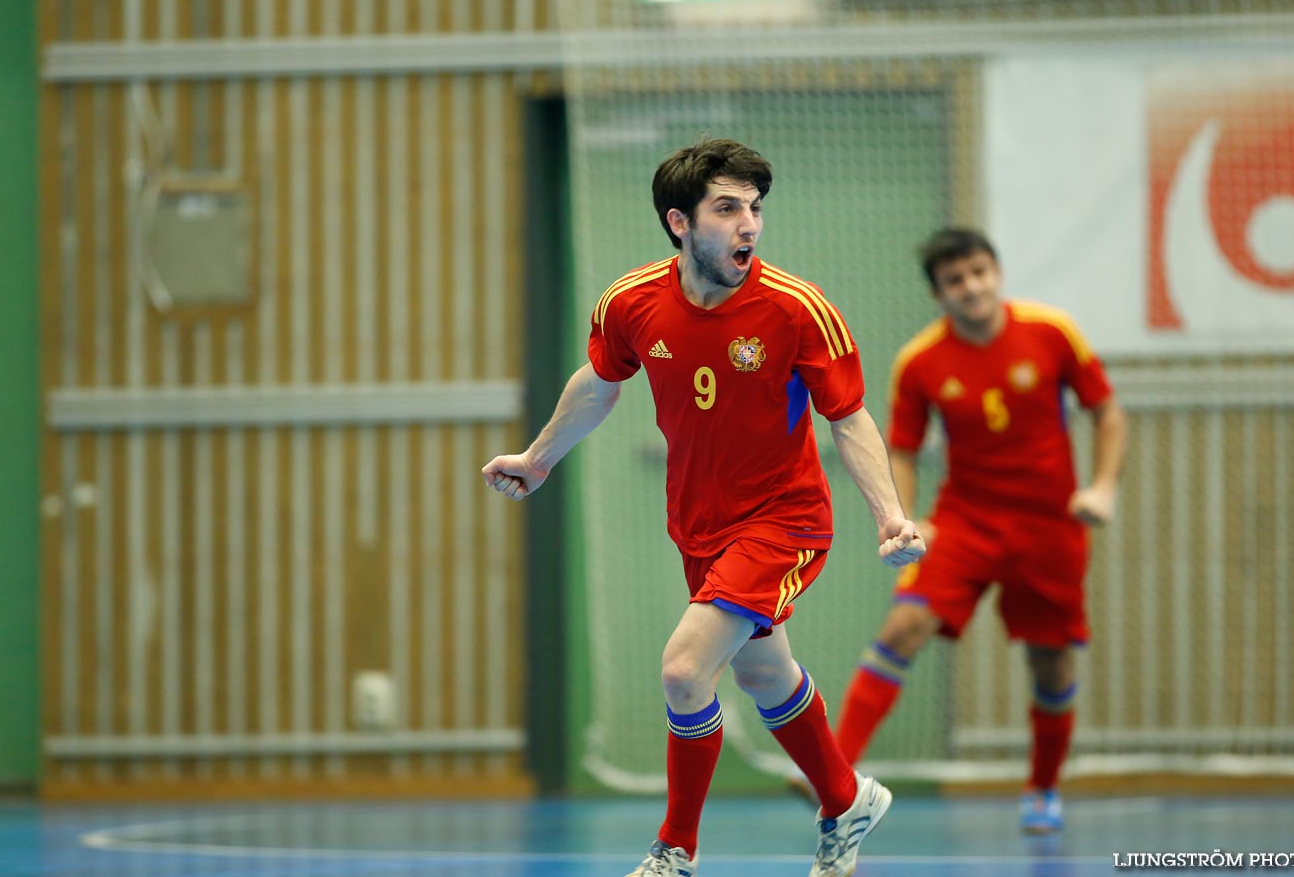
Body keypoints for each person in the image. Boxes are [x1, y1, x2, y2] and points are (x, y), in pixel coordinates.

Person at [482, 138, 925, 877]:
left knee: (686, 670)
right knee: (762, 675)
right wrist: (536, 459)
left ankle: (674, 851)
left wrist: (889, 514)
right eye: (727, 208)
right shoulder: (630, 303)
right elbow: (599, 384)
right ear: (679, 222)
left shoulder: (796, 309)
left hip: (786, 522)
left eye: (755, 208)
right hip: (697, 523)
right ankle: (846, 802)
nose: (749, 224)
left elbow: (847, 416)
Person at [820, 226, 1126, 835]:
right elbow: (900, 449)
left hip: (1048, 528)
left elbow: (1106, 412)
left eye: (980, 272)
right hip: (965, 523)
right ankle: (833, 777)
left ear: (997, 273)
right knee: (905, 624)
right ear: (939, 293)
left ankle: (1041, 789)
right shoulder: (921, 361)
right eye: (955, 280)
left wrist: (1102, 486)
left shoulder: (1051, 332)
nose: (972, 287)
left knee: (1051, 664)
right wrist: (901, 517)